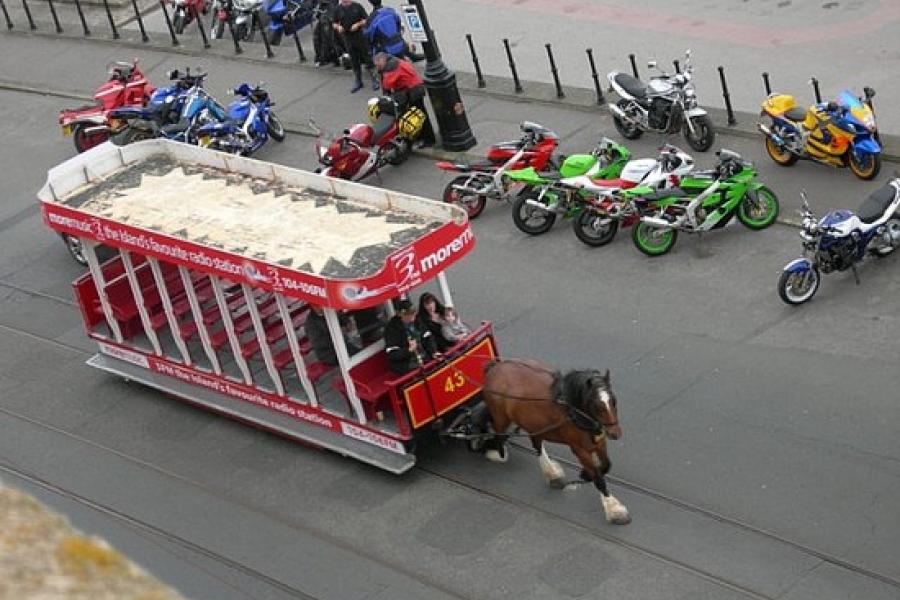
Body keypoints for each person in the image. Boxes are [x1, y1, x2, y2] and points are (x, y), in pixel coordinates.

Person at [373, 51, 436, 147]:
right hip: (414, 87)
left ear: (383, 61)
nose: (377, 67)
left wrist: (380, 75)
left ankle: (428, 139)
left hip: (413, 91)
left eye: (378, 65)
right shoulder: (394, 61)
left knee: (418, 115)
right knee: (419, 113)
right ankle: (421, 135)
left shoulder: (390, 68)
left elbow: (388, 85)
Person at [332, 0, 379, 93]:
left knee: (367, 58)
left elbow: (366, 19)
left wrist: (358, 24)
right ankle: (358, 81)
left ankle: (374, 79)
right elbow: (334, 23)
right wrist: (338, 27)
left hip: (359, 36)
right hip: (347, 38)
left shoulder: (357, 6)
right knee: (354, 59)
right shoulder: (338, 9)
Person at [383, 299, 437, 374]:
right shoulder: (392, 329)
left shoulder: (417, 319)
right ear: (399, 314)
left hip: (425, 357)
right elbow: (392, 354)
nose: (412, 317)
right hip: (407, 364)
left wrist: (433, 351)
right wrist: (408, 350)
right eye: (408, 315)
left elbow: (428, 336)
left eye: (413, 314)